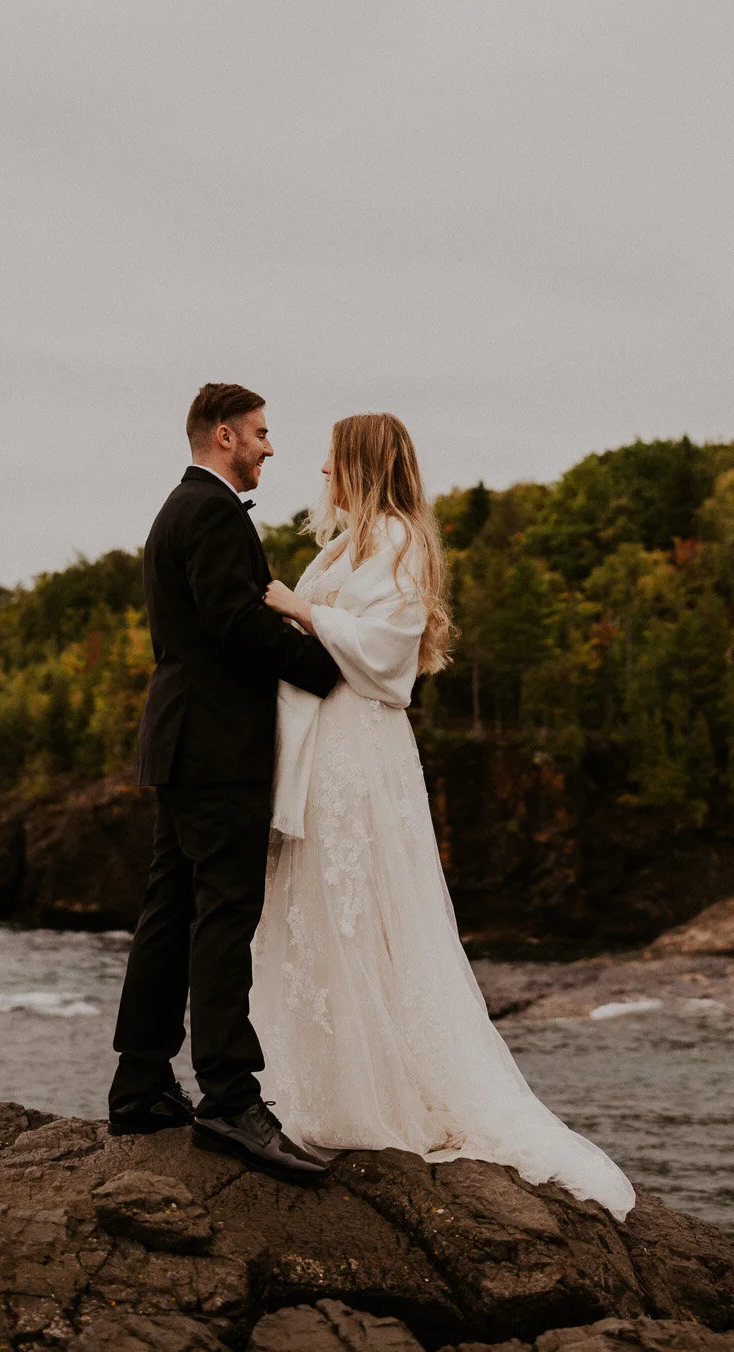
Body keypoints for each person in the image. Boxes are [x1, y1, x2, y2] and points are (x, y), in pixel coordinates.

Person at [252, 412, 635, 1220]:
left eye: (331, 460)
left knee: (362, 911)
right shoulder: (351, 541)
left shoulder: (394, 537)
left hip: (360, 751)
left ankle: (381, 1094)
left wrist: (296, 607)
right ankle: (328, 1085)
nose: (319, 471)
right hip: (330, 748)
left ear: (359, 464)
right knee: (323, 912)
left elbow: (387, 652)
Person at [108, 382, 340, 1185]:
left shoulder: (183, 507)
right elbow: (233, 620)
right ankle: (229, 1099)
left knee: (170, 909)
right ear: (221, 435)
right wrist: (329, 666)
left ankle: (140, 1085)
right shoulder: (206, 510)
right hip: (215, 746)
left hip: (184, 739)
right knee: (223, 912)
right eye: (261, 432)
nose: (271, 446)